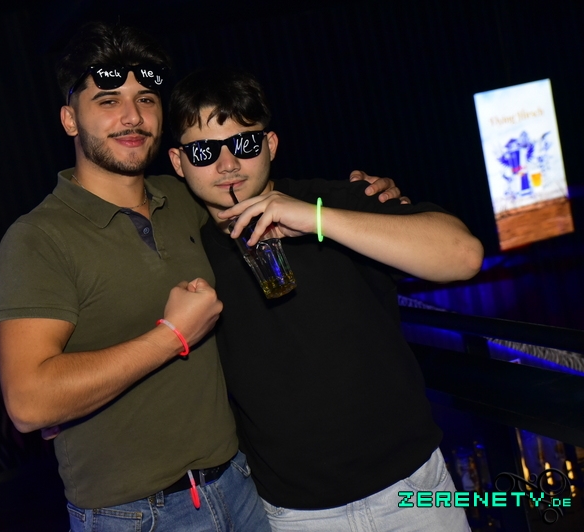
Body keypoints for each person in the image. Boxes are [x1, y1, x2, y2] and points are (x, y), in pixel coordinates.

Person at [0, 22, 399, 532]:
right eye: (109, 101)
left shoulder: (184, 197)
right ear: (70, 119)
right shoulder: (37, 238)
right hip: (135, 515)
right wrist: (173, 335)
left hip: (241, 487)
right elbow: (29, 403)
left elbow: (254, 179)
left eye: (146, 99)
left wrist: (367, 196)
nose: (132, 116)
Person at [167, 68, 483, 532]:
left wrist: (315, 218)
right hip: (296, 515)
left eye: (245, 143)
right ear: (178, 163)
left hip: (413, 490)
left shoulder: (335, 201)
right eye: (204, 152)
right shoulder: (187, 256)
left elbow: (464, 256)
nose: (228, 164)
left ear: (271, 145)